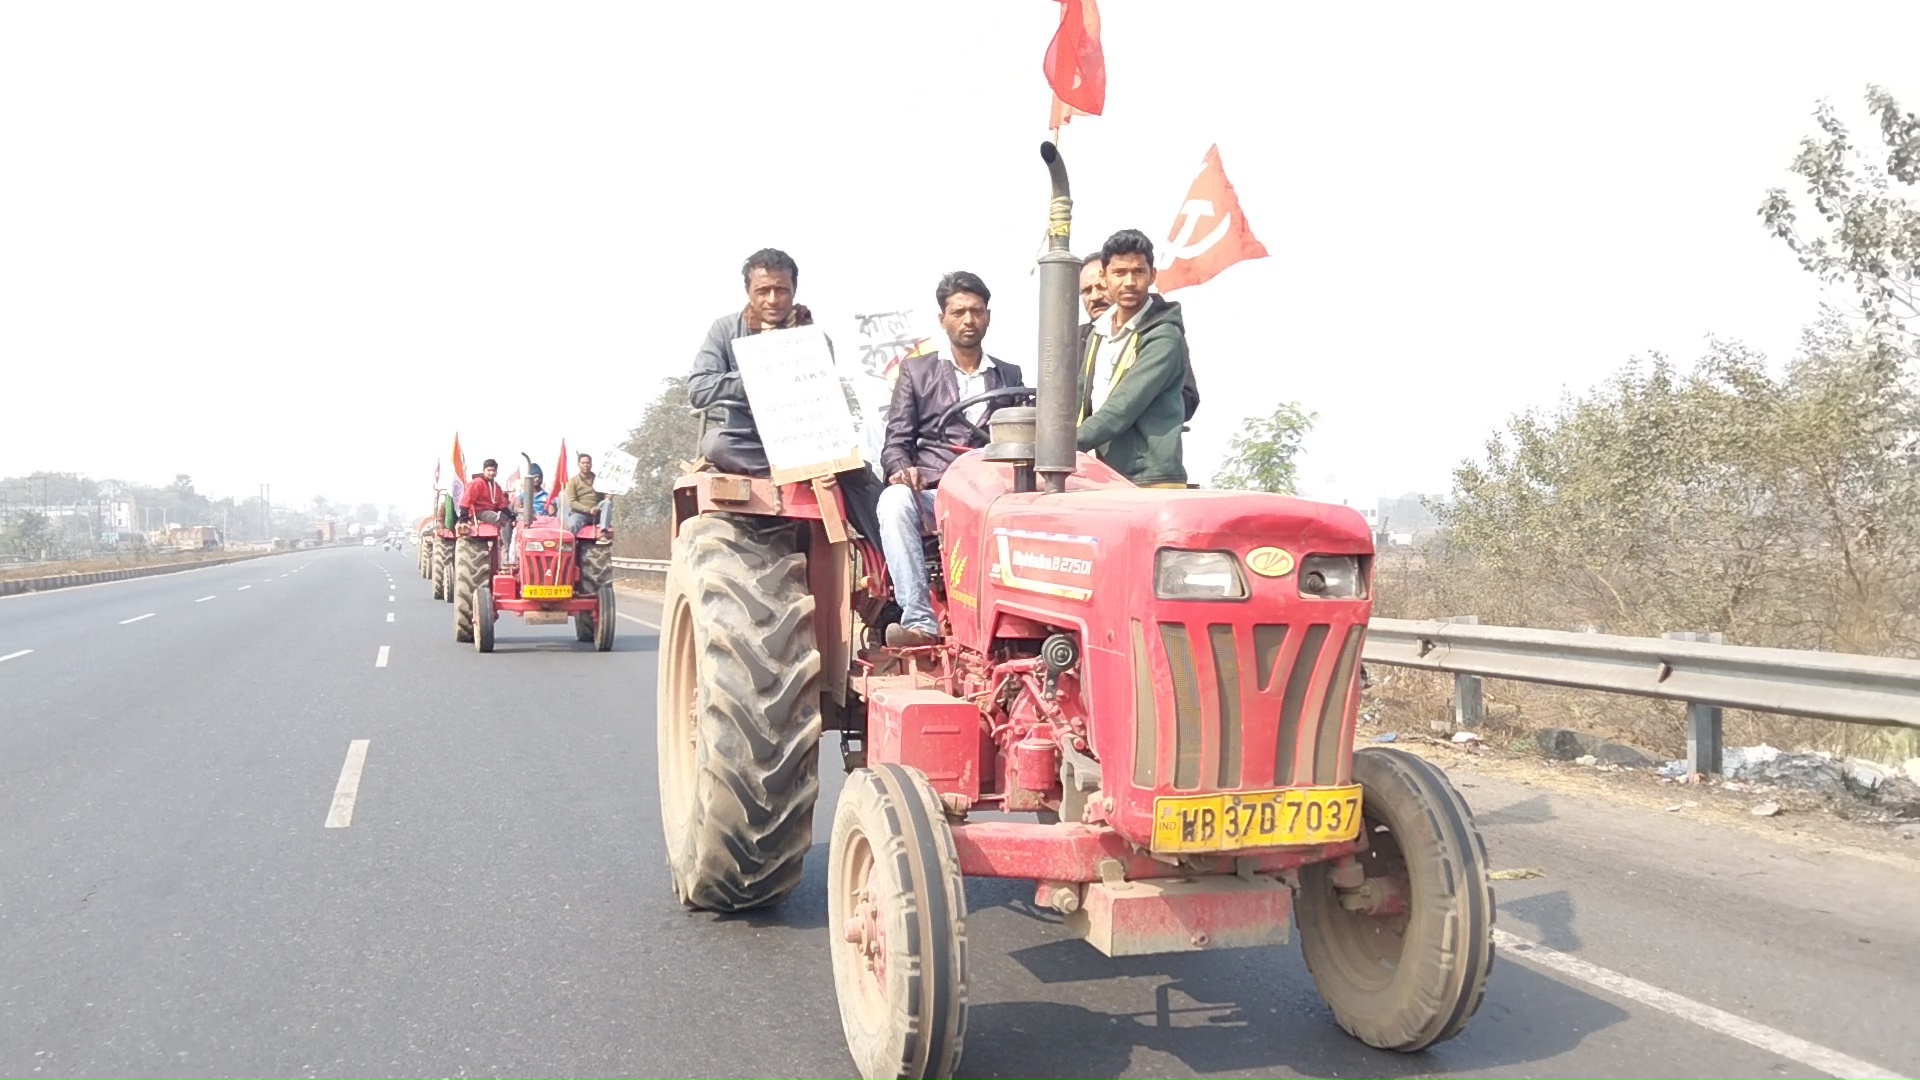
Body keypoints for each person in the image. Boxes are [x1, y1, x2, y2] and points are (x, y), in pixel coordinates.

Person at [878, 271, 1025, 647]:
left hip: (994, 497)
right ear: (942, 319)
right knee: (893, 503)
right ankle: (920, 620)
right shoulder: (916, 371)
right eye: (958, 312)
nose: (968, 320)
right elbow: (895, 443)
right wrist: (901, 469)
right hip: (935, 494)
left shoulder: (1009, 375)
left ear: (988, 317)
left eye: (976, 311)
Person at [1077, 229, 1192, 488]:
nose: (1129, 282)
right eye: (1119, 273)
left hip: (1149, 481)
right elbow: (1080, 398)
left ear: (1152, 275)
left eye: (1138, 272)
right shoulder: (1099, 333)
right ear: (1105, 278)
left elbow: (1121, 409)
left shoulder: (1164, 336)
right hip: (1102, 475)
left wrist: (1061, 446)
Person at [687, 247, 815, 477]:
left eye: (781, 290)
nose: (773, 300)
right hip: (747, 444)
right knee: (716, 444)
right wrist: (755, 375)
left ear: (794, 289)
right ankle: (786, 474)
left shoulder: (812, 335)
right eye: (763, 291)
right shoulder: (724, 329)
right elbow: (699, 389)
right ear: (748, 291)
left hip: (803, 443)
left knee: (861, 475)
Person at [1080, 250, 1199, 430]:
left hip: (1137, 453)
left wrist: (1134, 406)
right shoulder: (1076, 340)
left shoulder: (1159, 332)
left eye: (1101, 287)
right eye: (1087, 291)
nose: (1095, 297)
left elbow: (1187, 399)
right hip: (1081, 453)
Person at [458, 458, 518, 553]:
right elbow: (466, 500)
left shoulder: (496, 486)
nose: (491, 473)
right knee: (502, 520)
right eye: (489, 470)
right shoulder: (477, 483)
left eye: (493, 470)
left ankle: (505, 551)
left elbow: (502, 505)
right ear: (484, 470)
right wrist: (463, 519)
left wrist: (512, 517)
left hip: (492, 513)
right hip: (479, 513)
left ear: (496, 472)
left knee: (510, 520)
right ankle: (507, 553)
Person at [564, 451, 613, 542]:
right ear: (579, 464)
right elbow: (572, 502)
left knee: (607, 503)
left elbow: (605, 496)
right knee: (571, 525)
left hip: (598, 511)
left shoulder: (599, 479)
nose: (585, 465)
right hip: (580, 513)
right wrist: (588, 510)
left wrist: (609, 497)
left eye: (588, 463)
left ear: (591, 464)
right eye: (583, 463)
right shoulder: (573, 481)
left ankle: (603, 532)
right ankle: (569, 546)